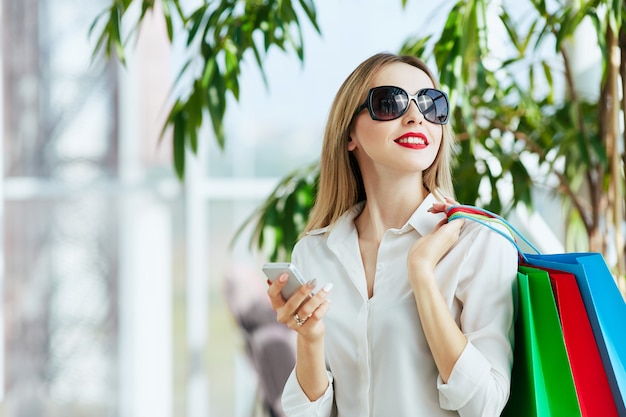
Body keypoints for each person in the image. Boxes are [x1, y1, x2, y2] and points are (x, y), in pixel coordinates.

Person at [266, 52, 518, 416]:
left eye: (431, 105)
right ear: (350, 133)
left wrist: (422, 274)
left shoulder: (478, 242)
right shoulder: (315, 252)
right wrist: (310, 337)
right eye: (390, 103)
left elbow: (486, 404)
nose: (416, 116)